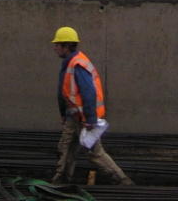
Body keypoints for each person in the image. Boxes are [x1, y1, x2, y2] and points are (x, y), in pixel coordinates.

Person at [50, 27, 133, 186]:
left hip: (84, 120)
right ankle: (60, 182)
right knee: (65, 150)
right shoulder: (69, 63)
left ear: (66, 46)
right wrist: (63, 113)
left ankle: (124, 183)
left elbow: (88, 93)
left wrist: (90, 119)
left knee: (95, 154)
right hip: (72, 117)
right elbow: (65, 92)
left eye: (57, 45)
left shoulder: (78, 64)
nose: (55, 48)